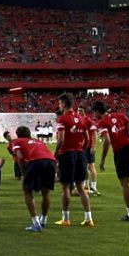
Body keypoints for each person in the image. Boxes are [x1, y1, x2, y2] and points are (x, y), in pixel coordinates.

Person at [54, 93, 94, 227]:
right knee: (81, 187)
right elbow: (87, 140)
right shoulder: (82, 119)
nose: (59, 105)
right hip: (80, 154)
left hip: (67, 154)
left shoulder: (63, 119)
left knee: (65, 187)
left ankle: (66, 219)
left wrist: (56, 154)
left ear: (64, 104)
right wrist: (80, 150)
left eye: (60, 103)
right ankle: (89, 219)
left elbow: (61, 140)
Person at [11, 126, 57, 232]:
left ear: (18, 134)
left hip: (36, 161)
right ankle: (44, 220)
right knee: (46, 192)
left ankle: (36, 223)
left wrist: (24, 173)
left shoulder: (17, 141)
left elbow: (20, 157)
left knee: (27, 190)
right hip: (51, 161)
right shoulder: (38, 141)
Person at [78, 108, 101, 196]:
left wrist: (93, 146)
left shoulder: (89, 121)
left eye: (81, 110)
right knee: (84, 167)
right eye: (78, 110)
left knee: (91, 166)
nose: (79, 112)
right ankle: (85, 185)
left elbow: (94, 134)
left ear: (84, 111)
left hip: (88, 147)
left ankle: (94, 186)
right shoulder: (78, 120)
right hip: (81, 147)